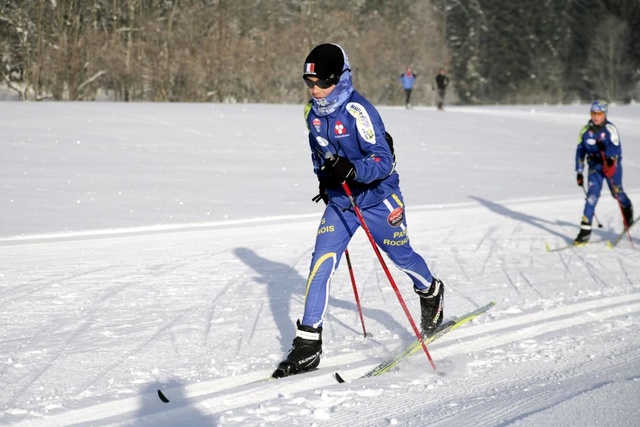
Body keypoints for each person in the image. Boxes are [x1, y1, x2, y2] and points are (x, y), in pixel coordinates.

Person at [274, 43, 445, 378]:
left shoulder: (359, 111)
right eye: (309, 83)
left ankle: (431, 290)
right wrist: (325, 180)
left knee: (402, 257)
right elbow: (318, 152)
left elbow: (383, 160)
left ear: (338, 79)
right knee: (321, 262)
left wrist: (352, 170)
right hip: (342, 202)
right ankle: (308, 345)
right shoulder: (311, 113)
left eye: (321, 82)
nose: (314, 90)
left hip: (378, 198)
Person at [574, 100, 634, 244]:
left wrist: (609, 155)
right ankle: (584, 232)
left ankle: (627, 207)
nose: (596, 117)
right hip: (595, 166)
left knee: (617, 193)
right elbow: (580, 151)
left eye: (599, 114)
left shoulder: (610, 129)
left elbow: (617, 149)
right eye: (593, 113)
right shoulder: (585, 131)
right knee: (592, 196)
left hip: (610, 166)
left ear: (604, 114)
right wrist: (579, 171)